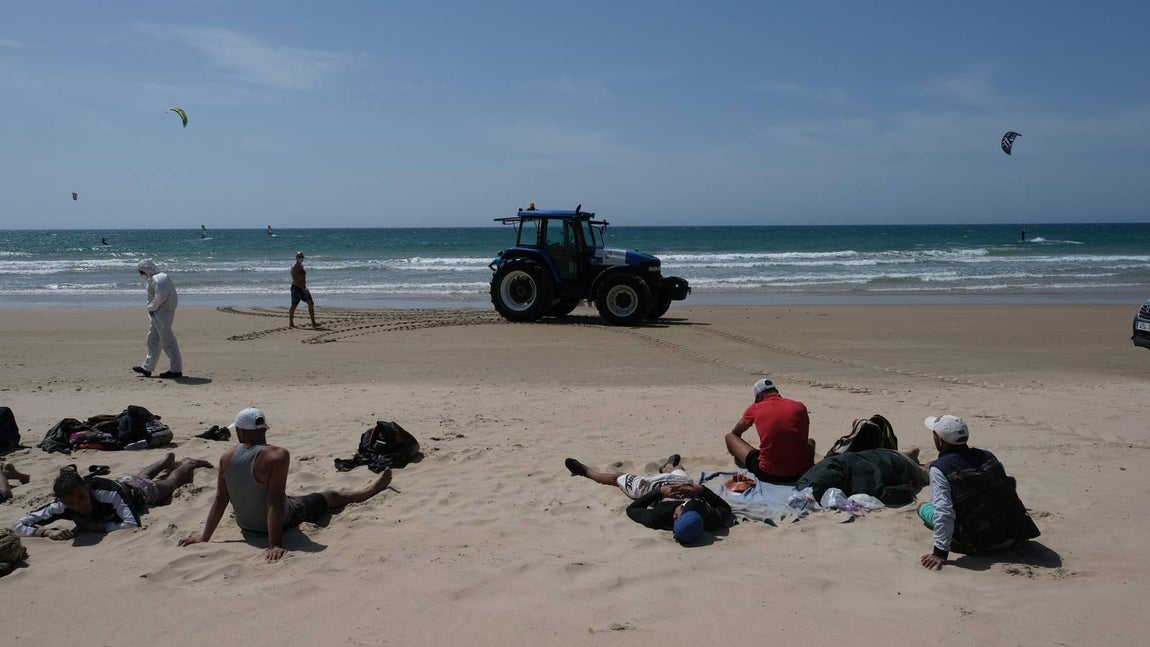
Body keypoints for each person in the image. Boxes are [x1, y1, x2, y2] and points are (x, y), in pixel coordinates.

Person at [179, 407, 393, 561]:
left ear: (240, 432)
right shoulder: (277, 455)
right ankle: (372, 490)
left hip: (245, 526)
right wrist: (275, 544)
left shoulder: (226, 457)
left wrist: (204, 537)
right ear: (264, 430)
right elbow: (275, 503)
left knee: (279, 494)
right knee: (330, 497)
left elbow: (220, 500)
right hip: (274, 525)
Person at [918, 415, 1040, 570]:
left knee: (922, 507)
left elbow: (944, 512)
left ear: (940, 440)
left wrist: (940, 553)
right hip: (1010, 535)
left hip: (978, 542)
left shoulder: (939, 468)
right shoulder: (987, 455)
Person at [11, 453, 211, 539]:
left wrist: (98, 527)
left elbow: (132, 523)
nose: (77, 505)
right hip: (123, 481)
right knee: (140, 477)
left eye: (80, 497)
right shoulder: (62, 506)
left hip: (136, 493)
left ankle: (188, 464)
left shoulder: (106, 494)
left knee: (170, 484)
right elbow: (19, 525)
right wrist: (45, 533)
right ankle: (165, 461)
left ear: (88, 488)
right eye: (70, 502)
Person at [564, 454, 732, 544]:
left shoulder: (658, 517)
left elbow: (632, 509)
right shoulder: (705, 518)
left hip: (650, 489)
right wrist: (701, 490)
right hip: (684, 484)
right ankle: (669, 466)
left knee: (617, 477)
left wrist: (660, 492)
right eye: (692, 508)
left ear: (675, 517)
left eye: (685, 508)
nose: (689, 505)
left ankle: (584, 471)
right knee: (679, 469)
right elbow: (726, 509)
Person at [724, 378, 814, 484]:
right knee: (810, 441)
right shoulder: (800, 406)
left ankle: (737, 461)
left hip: (769, 474)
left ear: (759, 396)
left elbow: (737, 431)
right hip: (802, 473)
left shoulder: (755, 408)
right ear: (776, 391)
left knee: (730, 436)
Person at [132, 259, 183, 379]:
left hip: (162, 313)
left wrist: (151, 307)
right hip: (158, 313)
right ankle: (147, 368)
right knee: (153, 340)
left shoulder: (158, 279)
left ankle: (176, 370)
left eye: (141, 272)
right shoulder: (157, 278)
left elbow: (160, 297)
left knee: (168, 342)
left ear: (146, 270)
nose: (141, 275)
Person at [289, 251, 317, 329]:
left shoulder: (301, 266)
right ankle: (291, 323)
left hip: (302, 287)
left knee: (310, 303)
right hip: (297, 288)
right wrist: (302, 288)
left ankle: (313, 322)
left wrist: (304, 287)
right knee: (295, 305)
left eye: (302, 257)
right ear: (296, 257)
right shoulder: (295, 267)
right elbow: (295, 280)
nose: (301, 258)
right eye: (299, 257)